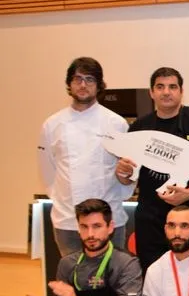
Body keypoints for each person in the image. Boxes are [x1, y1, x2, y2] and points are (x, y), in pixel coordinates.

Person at [115, 67, 189, 272]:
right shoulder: (139, 127)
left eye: (172, 87)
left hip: (188, 211)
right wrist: (122, 172)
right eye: (160, 87)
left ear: (181, 91)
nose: (166, 92)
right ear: (151, 92)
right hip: (150, 216)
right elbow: (128, 178)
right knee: (151, 272)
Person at [38, 57, 133, 255]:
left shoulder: (116, 123)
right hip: (68, 220)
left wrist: (125, 176)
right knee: (73, 273)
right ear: (69, 84)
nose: (83, 85)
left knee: (111, 272)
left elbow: (128, 172)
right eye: (77, 79)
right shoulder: (52, 124)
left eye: (89, 79)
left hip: (108, 219)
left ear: (99, 85)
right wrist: (62, 200)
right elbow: (48, 170)